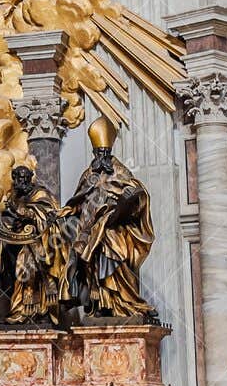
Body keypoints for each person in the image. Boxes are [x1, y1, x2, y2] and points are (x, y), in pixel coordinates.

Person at [65, 118, 158, 320]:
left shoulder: (121, 172)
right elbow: (77, 200)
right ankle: (100, 304)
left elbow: (137, 193)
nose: (102, 156)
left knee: (115, 258)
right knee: (90, 265)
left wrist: (125, 203)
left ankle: (124, 303)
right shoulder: (88, 174)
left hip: (114, 229)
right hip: (89, 230)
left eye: (105, 153)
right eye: (99, 153)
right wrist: (68, 214)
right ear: (94, 154)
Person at [0, 166, 73, 326]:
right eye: (18, 178)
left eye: (24, 178)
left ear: (30, 178)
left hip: (41, 242)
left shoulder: (40, 194)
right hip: (17, 243)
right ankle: (21, 312)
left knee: (29, 270)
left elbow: (49, 215)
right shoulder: (14, 196)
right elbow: (8, 218)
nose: (21, 181)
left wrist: (24, 213)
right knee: (20, 275)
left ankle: (41, 312)